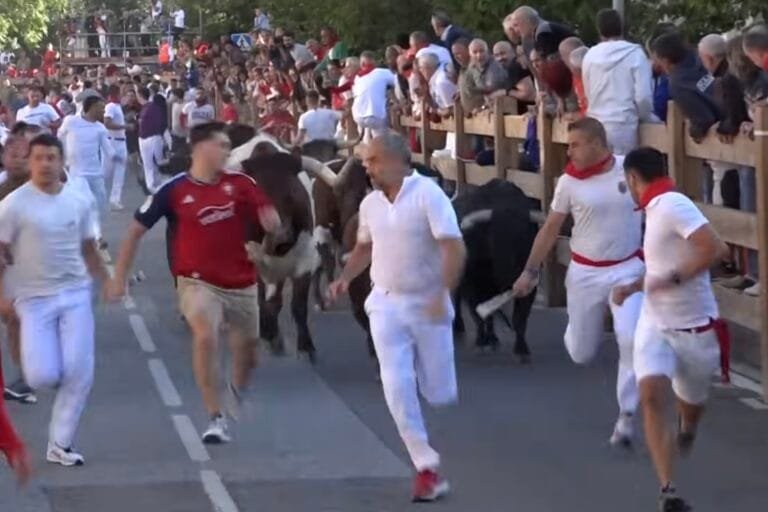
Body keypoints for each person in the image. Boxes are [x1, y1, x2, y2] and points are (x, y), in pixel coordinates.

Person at [107, 122, 281, 444]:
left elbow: (268, 214)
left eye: (228, 146)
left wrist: (270, 225)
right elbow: (134, 231)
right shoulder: (173, 190)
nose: (227, 152)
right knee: (205, 333)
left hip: (241, 282)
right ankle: (215, 416)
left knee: (249, 352)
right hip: (196, 281)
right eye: (221, 145)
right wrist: (119, 278)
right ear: (200, 148)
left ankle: (236, 390)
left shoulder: (240, 183)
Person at [328, 132, 466, 502]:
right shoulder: (370, 204)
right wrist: (345, 279)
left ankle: (427, 382)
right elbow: (364, 247)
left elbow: (454, 247)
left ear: (395, 161)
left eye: (372, 160)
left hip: (428, 304)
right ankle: (426, 467)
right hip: (385, 304)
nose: (367, 167)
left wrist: (442, 293)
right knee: (396, 382)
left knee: (440, 393)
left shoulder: (428, 195)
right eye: (366, 161)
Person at [512, 118, 644, 447]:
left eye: (575, 145)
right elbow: (550, 229)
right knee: (582, 353)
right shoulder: (568, 182)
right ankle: (577, 329)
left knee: (631, 338)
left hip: (628, 268)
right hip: (585, 273)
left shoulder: (630, 169)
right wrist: (530, 271)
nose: (569, 151)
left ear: (597, 143)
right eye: (568, 145)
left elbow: (657, 205)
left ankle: (627, 415)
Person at [620, 147, 728, 512]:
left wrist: (677, 278)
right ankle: (668, 489)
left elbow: (716, 249)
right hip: (655, 322)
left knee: (691, 402)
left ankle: (688, 426)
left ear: (632, 178)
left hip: (695, 327)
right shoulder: (655, 208)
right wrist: (634, 287)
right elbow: (659, 267)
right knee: (651, 396)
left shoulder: (672, 205)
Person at [0, 134, 109, 466]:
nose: (45, 164)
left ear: (62, 162)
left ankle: (60, 444)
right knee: (41, 375)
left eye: (51, 158)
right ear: (30, 163)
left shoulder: (78, 200)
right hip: (33, 298)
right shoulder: (13, 205)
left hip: (75, 292)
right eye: (39, 158)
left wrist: (108, 281)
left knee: (80, 371)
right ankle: (55, 369)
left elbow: (89, 247)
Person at [582, 8, 656, 155]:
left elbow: (588, 93)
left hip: (596, 124)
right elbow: (643, 96)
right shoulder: (635, 54)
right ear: (622, 26)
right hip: (624, 123)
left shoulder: (590, 56)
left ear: (599, 30)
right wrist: (644, 116)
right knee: (624, 167)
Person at [0, 135, 36, 405]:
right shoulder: (2, 187)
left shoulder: (44, 186)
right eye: (10, 154)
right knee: (12, 320)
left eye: (21, 155)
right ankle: (25, 374)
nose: (15, 160)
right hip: (8, 265)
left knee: (24, 319)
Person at [57, 95, 113, 241]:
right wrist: (62, 160)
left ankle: (93, 234)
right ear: (92, 107)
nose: (103, 111)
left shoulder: (100, 128)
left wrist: (115, 159)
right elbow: (59, 138)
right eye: (101, 108)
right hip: (77, 174)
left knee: (99, 206)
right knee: (87, 204)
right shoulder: (71, 121)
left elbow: (109, 150)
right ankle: (95, 237)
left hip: (96, 174)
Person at [352, 52, 395, 143]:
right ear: (374, 62)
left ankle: (367, 145)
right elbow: (398, 80)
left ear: (361, 64)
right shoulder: (382, 72)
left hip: (357, 115)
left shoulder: (357, 77)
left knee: (367, 127)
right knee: (380, 137)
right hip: (375, 116)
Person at [103, 85, 129, 210]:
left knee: (120, 172)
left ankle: (115, 199)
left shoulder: (118, 106)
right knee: (106, 172)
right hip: (113, 142)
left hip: (120, 141)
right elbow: (107, 123)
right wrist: (124, 126)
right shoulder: (111, 106)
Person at [138, 87, 166, 194]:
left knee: (157, 162)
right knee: (147, 163)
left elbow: (158, 123)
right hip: (144, 138)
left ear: (140, 95)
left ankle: (159, 184)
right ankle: (151, 186)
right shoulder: (144, 107)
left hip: (153, 137)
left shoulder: (152, 107)